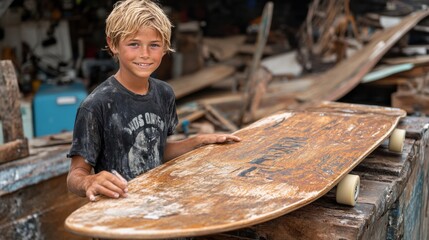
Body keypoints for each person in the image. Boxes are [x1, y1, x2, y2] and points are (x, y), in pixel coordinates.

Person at [66, 0, 241, 202]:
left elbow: (158, 149)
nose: (145, 54)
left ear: (165, 47)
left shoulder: (164, 93)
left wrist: (197, 142)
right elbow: (75, 174)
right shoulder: (96, 105)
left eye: (154, 45)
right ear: (113, 44)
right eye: (134, 44)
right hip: (118, 213)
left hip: (158, 203)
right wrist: (89, 181)